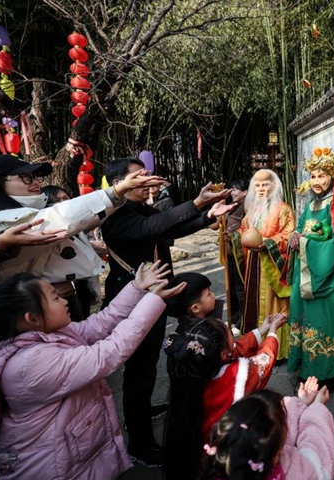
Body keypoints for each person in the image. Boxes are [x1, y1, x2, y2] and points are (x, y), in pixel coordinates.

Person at [0, 261, 186, 480]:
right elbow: (109, 353)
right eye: (55, 297)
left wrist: (136, 289)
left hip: (68, 452)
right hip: (51, 467)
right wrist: (152, 300)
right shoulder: (30, 364)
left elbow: (98, 324)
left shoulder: (42, 337)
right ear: (32, 319)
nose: (65, 300)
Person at [101, 156, 235, 466]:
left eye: (147, 173)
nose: (147, 179)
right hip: (132, 298)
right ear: (119, 183)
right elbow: (153, 225)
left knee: (147, 365)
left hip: (154, 293)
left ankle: (143, 411)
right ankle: (140, 443)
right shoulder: (115, 215)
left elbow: (167, 230)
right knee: (139, 372)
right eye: (139, 175)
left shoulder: (139, 208)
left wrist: (206, 216)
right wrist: (197, 201)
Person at [0, 155, 163, 320]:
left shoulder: (29, 211)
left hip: (60, 303)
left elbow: (79, 220)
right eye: (26, 177)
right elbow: (58, 220)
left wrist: (118, 194)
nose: (36, 182)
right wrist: (117, 191)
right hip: (28, 315)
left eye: (35, 176)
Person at [162, 273, 285, 479]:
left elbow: (236, 347)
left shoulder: (193, 348)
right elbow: (262, 363)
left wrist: (261, 329)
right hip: (226, 447)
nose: (233, 339)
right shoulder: (234, 375)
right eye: (209, 293)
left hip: (198, 440)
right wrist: (272, 333)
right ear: (223, 354)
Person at [287, 149, 334, 384]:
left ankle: (326, 374)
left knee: (324, 321)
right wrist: (295, 234)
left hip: (325, 273)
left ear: (333, 177)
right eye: (313, 176)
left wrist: (305, 243)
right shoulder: (310, 204)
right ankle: (306, 365)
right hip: (304, 272)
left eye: (322, 176)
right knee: (305, 318)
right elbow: (301, 226)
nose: (316, 182)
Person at [201, 381, 334, 480]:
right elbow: (318, 457)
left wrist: (300, 403)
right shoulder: (293, 472)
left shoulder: (216, 466)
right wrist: (317, 408)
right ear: (275, 454)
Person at [232, 169, 295, 360]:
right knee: (252, 302)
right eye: (257, 185)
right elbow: (244, 229)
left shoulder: (284, 209)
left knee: (271, 303)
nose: (261, 188)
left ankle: (276, 349)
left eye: (265, 184)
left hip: (270, 266)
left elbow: (288, 234)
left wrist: (266, 242)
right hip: (253, 264)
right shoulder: (252, 209)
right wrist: (234, 237)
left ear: (274, 186)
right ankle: (254, 343)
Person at [41, 184, 105, 319]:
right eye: (58, 200)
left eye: (66, 198)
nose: (65, 203)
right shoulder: (44, 230)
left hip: (78, 287)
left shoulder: (78, 224)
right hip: (57, 294)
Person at [211, 178, 249, 327]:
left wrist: (234, 235)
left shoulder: (248, 207)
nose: (232, 192)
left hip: (241, 255)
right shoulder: (231, 207)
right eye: (231, 189)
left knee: (241, 289)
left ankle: (244, 320)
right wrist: (217, 206)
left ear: (245, 192)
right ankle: (234, 319)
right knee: (232, 289)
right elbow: (214, 226)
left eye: (235, 189)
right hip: (230, 254)